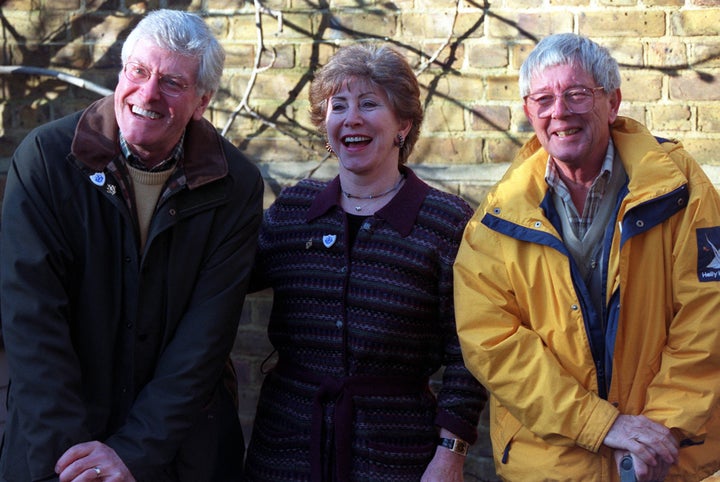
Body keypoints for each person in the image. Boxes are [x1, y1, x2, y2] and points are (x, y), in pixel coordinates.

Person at [0, 9, 263, 482]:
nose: (148, 93)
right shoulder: (44, 160)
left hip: (182, 453)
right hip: (53, 449)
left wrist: (134, 452)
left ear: (202, 101)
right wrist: (76, 462)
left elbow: (205, 338)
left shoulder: (236, 184)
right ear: (122, 73)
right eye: (138, 72)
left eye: (172, 83)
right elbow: (31, 320)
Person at [454, 32, 720, 481]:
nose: (559, 112)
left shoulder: (681, 189)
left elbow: (707, 315)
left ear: (612, 102)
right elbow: (491, 342)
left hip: (669, 461)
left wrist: (659, 437)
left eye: (577, 94)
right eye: (543, 98)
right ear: (528, 112)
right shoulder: (497, 217)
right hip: (552, 466)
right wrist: (602, 426)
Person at [243, 43, 486, 482]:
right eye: (338, 106)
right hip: (286, 446)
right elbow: (217, 282)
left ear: (403, 125)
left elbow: (468, 353)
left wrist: (451, 452)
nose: (351, 118)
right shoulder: (295, 211)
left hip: (397, 453)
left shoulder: (445, 221)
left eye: (369, 104)